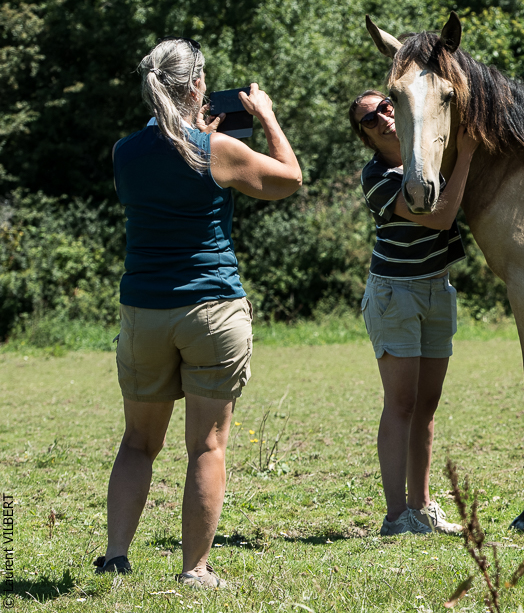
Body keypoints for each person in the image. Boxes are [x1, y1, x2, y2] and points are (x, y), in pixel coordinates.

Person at [95, 37, 302, 587]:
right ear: (197, 86)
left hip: (144, 311)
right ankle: (195, 570)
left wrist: (199, 138)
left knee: (138, 441)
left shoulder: (123, 152)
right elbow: (290, 178)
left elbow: (161, 182)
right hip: (211, 308)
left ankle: (116, 555)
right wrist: (266, 116)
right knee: (206, 446)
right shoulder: (219, 151)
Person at [349, 89, 479, 535]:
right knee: (400, 406)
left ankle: (421, 508)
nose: (383, 117)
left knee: (426, 406)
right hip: (394, 295)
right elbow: (440, 218)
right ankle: (395, 517)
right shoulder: (378, 177)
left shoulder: (425, 157)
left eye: (386, 107)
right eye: (370, 119)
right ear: (365, 136)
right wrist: (466, 157)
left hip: (435, 288)